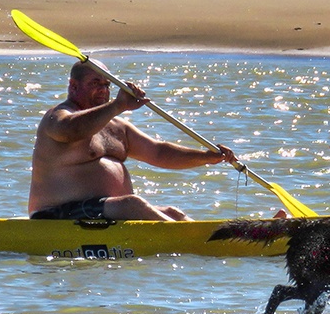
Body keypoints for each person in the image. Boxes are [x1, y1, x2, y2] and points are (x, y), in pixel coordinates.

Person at [28, 61, 238, 221]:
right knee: (134, 205)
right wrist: (118, 106)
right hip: (55, 215)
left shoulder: (116, 126)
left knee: (173, 213)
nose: (103, 90)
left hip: (105, 214)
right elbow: (71, 130)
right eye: (95, 83)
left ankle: (213, 239)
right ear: (73, 87)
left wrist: (207, 157)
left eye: (106, 84)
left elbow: (158, 153)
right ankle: (194, 241)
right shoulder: (57, 118)